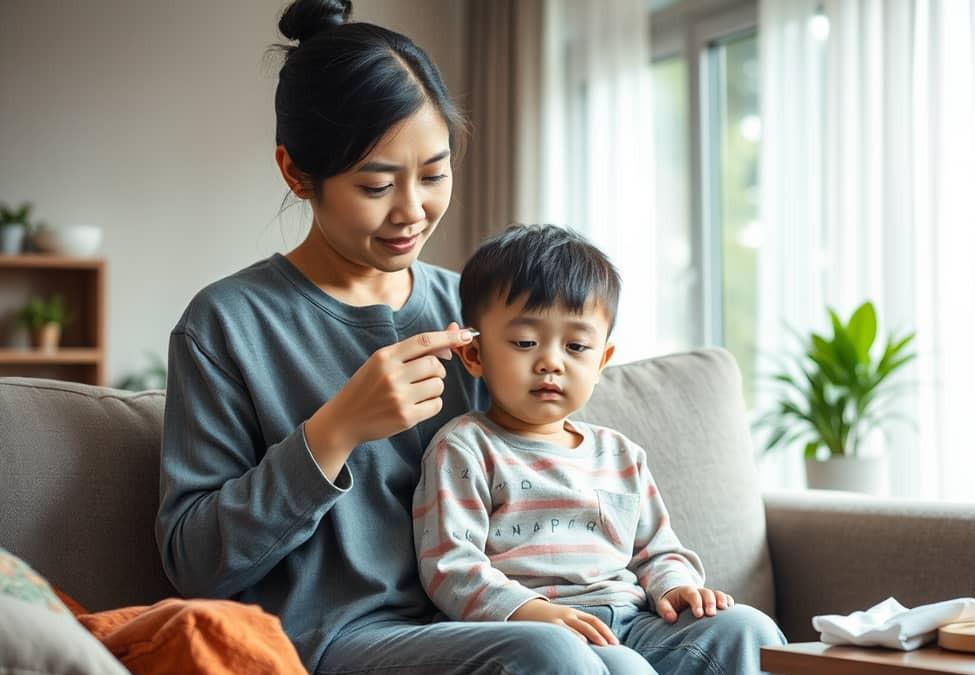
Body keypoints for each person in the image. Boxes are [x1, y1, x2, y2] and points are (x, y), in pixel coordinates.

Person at [155, 2, 628, 673]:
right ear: (296, 173)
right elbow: (192, 562)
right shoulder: (228, 324)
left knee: (731, 633)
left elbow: (552, 465)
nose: (413, 211)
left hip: (489, 611)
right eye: (377, 184)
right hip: (339, 638)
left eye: (434, 174)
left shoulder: (471, 308)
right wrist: (334, 431)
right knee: (550, 654)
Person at [413, 225, 786, 674]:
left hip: (634, 622)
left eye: (576, 346)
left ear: (601, 362)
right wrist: (532, 612)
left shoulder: (620, 454)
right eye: (525, 342)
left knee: (748, 629)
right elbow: (450, 566)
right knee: (625, 669)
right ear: (475, 356)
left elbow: (656, 551)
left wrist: (676, 587)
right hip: (536, 631)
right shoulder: (464, 447)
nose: (551, 361)